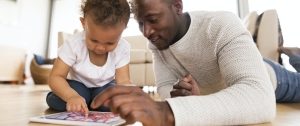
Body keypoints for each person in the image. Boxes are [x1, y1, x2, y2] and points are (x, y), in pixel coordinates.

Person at [91, 0, 277, 125]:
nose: (146, 32)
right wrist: (183, 99)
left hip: (274, 77)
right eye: (140, 24)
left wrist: (167, 112)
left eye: (153, 19)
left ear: (177, 6)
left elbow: (261, 98)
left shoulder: (220, 24)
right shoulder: (158, 42)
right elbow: (165, 87)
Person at [46, 0, 131, 117]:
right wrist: (71, 96)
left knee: (109, 101)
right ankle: (81, 100)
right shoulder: (73, 44)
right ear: (83, 23)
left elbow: (123, 82)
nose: (101, 48)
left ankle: (88, 103)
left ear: (123, 29)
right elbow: (56, 76)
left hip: (105, 86)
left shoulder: (123, 48)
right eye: (94, 40)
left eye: (110, 43)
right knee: (67, 99)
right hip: (77, 86)